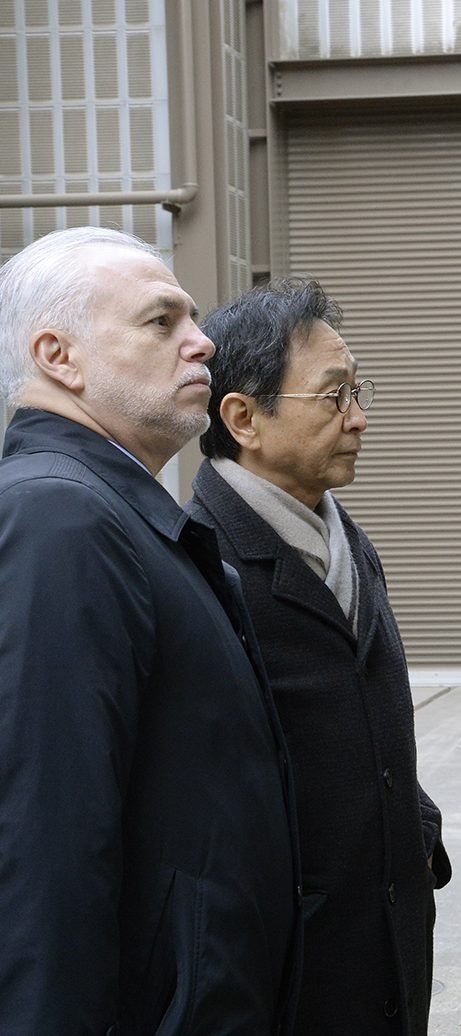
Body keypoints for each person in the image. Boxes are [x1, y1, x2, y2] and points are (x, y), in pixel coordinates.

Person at [0, 227, 301, 1033]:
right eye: (160, 321)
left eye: (192, 319)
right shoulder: (59, 517)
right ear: (59, 356)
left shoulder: (114, 512)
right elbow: (43, 830)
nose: (202, 342)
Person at [186, 278, 451, 1036]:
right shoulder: (200, 564)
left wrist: (416, 833)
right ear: (243, 418)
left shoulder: (344, 536)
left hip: (391, 937)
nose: (358, 418)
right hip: (288, 965)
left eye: (356, 391)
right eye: (333, 396)